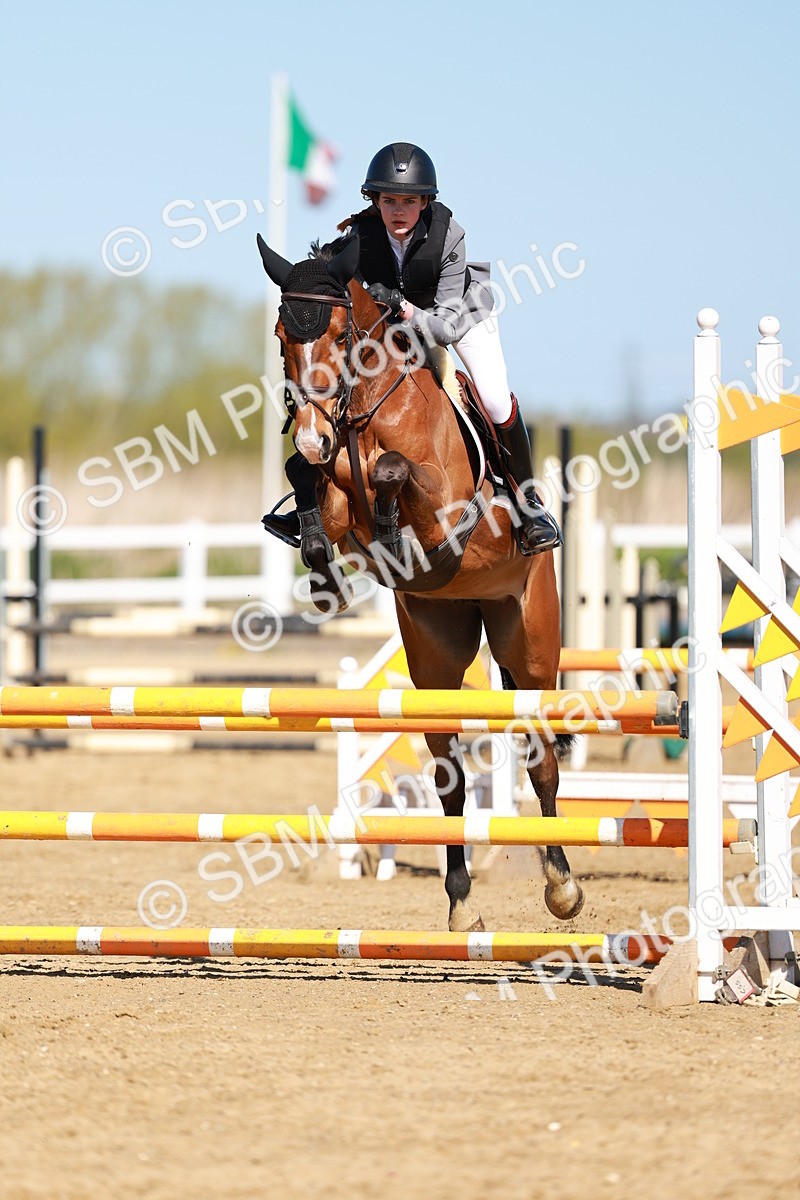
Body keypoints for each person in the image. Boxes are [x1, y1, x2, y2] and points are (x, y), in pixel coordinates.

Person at [263, 141, 562, 556]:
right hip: (393, 328)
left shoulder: (449, 234)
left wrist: (401, 305)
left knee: (493, 400)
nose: (398, 210)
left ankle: (528, 504)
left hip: (458, 318)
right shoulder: (359, 236)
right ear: (376, 201)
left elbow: (442, 328)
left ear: (424, 202)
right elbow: (326, 283)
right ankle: (310, 506)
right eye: (389, 200)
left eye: (408, 201)